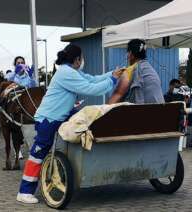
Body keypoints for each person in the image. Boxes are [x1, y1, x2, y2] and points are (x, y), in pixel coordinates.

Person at [16, 44, 125, 204]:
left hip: (62, 115)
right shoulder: (66, 73)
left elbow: (92, 79)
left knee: (85, 120)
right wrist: (113, 79)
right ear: (77, 59)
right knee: (38, 154)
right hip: (48, 118)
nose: (83, 61)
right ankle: (24, 192)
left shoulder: (73, 71)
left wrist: (112, 74)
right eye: (82, 58)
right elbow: (91, 88)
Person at [108, 39, 164, 104]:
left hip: (143, 111)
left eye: (127, 52)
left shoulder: (130, 70)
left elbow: (117, 95)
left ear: (131, 54)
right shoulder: (150, 69)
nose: (127, 56)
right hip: (160, 110)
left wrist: (103, 111)